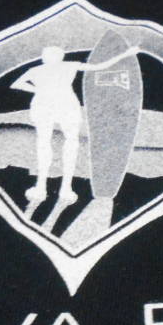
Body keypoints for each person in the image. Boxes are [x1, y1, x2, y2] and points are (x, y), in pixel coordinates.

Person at [11, 44, 139, 208]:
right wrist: (125, 54)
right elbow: (100, 66)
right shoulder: (68, 66)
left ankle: (44, 187)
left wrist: (39, 90)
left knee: (46, 142)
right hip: (64, 103)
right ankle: (62, 188)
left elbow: (17, 84)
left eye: (47, 54)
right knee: (67, 142)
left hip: (46, 103)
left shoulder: (36, 70)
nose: (45, 57)